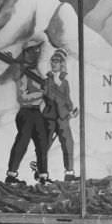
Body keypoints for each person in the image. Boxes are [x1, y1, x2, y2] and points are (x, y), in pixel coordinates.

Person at [5, 43, 50, 185]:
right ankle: (11, 176)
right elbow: (22, 98)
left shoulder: (35, 72)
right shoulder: (22, 74)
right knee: (22, 143)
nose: (35, 54)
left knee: (42, 144)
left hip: (37, 112)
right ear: (26, 54)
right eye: (32, 52)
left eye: (37, 51)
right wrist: (41, 93)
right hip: (26, 112)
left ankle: (43, 176)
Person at [42, 48, 78, 181]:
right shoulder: (47, 81)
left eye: (56, 61)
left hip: (63, 118)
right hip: (50, 117)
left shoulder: (65, 82)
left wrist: (72, 110)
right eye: (52, 61)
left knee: (68, 144)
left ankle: (69, 173)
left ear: (62, 63)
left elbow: (67, 99)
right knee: (44, 146)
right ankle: (42, 173)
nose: (53, 63)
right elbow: (50, 96)